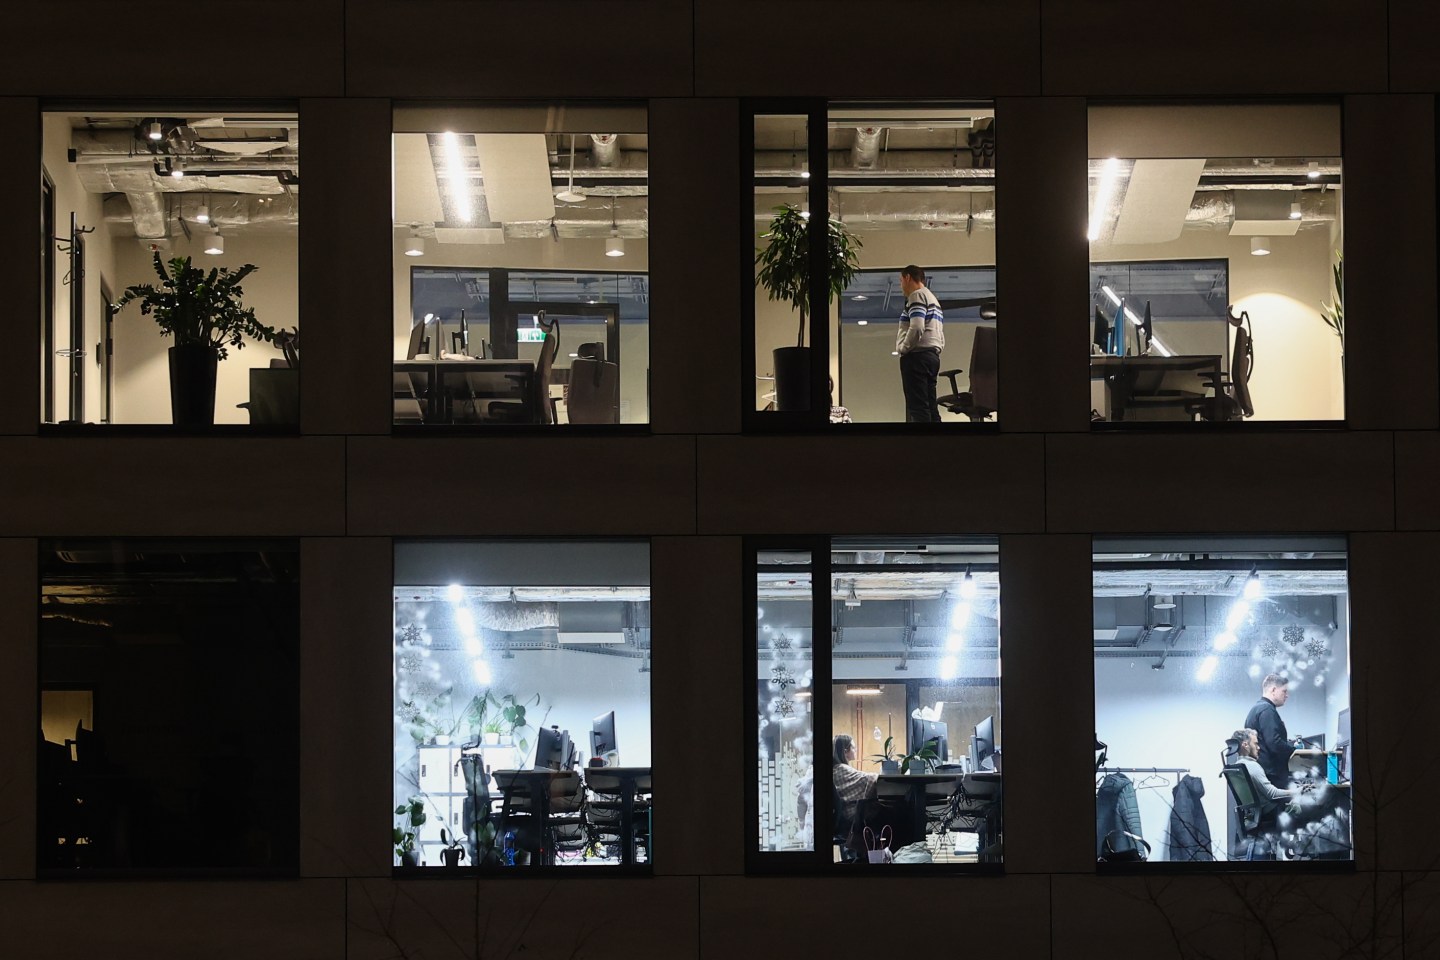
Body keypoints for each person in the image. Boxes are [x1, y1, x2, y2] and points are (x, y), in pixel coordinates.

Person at [895, 265, 944, 423]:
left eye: (901, 280)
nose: (901, 285)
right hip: (932, 357)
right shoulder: (933, 299)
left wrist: (904, 348)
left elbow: (917, 326)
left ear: (908, 277)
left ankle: (923, 444)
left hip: (916, 357)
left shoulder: (916, 296)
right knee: (930, 406)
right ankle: (938, 444)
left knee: (918, 407)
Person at [1243, 673, 1294, 787]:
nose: (1287, 695)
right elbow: (1274, 743)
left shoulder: (1256, 709)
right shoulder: (1267, 710)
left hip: (1261, 774)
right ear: (1273, 690)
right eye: (1284, 691)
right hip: (1271, 777)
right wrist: (1294, 751)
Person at [832, 734, 877, 827]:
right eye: (853, 747)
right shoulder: (841, 769)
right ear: (845, 751)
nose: (856, 750)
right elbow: (867, 779)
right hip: (851, 816)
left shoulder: (836, 769)